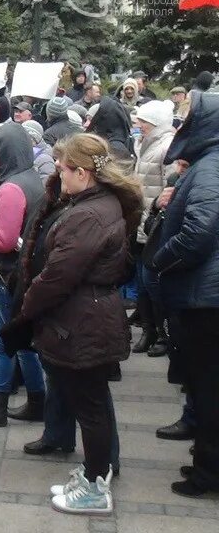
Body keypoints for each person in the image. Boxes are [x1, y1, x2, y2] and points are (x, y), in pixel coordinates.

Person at [5, 133, 141, 514]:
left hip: (83, 320)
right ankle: (94, 473)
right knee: (90, 403)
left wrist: (26, 309)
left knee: (91, 407)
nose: (59, 177)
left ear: (82, 172)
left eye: (63, 170)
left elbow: (57, 277)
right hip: (87, 315)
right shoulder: (95, 203)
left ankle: (97, 487)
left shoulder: (88, 214)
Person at [152, 91, 219, 498]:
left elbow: (198, 232)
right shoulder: (208, 164)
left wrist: (160, 259)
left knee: (208, 388)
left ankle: (208, 473)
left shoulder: (211, 168)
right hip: (205, 296)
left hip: (206, 300)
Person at [0, 122, 45, 426]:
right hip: (20, 272)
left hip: (6, 274)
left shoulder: (12, 189)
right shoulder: (27, 178)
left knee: (3, 342)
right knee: (21, 341)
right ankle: (38, 400)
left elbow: (1, 237)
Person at [130, 100, 175, 355]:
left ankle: (163, 334)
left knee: (152, 282)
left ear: (154, 123)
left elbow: (170, 189)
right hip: (142, 224)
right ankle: (148, 330)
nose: (138, 126)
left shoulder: (165, 147)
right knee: (142, 282)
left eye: (142, 122)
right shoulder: (144, 145)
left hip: (156, 227)